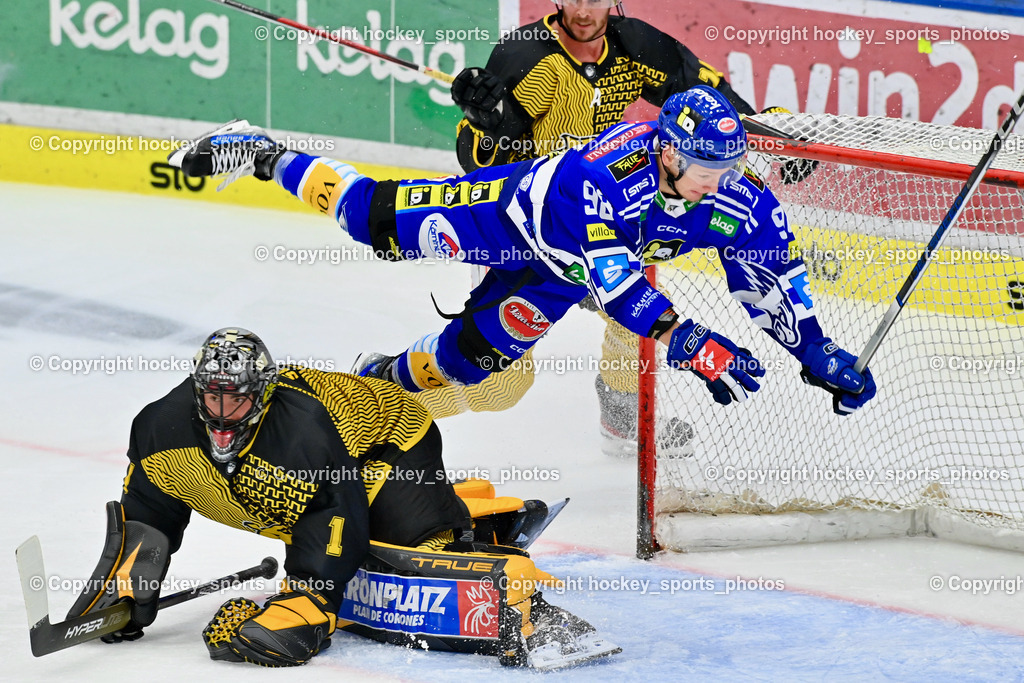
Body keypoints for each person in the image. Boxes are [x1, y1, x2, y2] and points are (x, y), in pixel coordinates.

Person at [170, 85, 875, 419]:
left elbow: (769, 276)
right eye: (703, 165)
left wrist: (814, 348)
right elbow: (620, 289)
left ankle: (379, 377)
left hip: (562, 275)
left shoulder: (735, 195)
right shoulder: (604, 178)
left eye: (728, 165)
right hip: (505, 220)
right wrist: (687, 337)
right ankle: (263, 152)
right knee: (373, 221)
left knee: (468, 363)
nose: (718, 181)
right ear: (666, 146)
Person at [66, 328, 613, 668]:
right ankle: (454, 509)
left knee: (395, 541)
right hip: (295, 490)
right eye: (211, 396)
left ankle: (464, 526)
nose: (220, 413)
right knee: (324, 520)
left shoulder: (302, 433)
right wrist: (128, 584)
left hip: (391, 440)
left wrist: (309, 602)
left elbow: (336, 517)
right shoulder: (160, 428)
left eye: (236, 401)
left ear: (262, 395)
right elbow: (149, 509)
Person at [433, 0, 771, 455]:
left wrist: (767, 134)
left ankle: (620, 411)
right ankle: (389, 396)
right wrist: (486, 125)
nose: (583, 9)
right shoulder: (525, 55)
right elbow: (478, 165)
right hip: (529, 230)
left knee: (637, 321)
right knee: (500, 386)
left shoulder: (635, 44)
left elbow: (706, 95)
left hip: (599, 222)